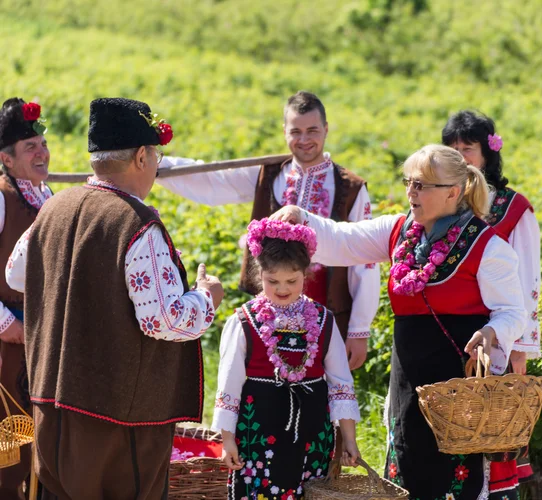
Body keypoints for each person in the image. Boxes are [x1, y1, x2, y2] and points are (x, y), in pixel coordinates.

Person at [270, 144, 527, 500]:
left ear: (453, 192)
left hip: (458, 387)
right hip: (408, 383)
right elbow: (344, 240)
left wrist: (491, 331)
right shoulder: (399, 231)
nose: (411, 192)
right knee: (407, 469)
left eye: (422, 185)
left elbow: (514, 312)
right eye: (409, 182)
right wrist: (302, 218)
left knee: (455, 481)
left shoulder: (488, 247)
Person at [6, 97, 224, 499]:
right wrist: (206, 298)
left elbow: (16, 275)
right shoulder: (137, 225)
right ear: (141, 156)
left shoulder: (53, 208)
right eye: (156, 155)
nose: (156, 164)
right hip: (118, 422)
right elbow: (165, 320)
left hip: (53, 408)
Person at [157, 91, 380, 370]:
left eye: (312, 130)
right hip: (270, 305)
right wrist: (158, 165)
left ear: (326, 129)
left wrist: (359, 330)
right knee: (264, 383)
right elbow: (212, 179)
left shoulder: (351, 188)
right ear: (284, 132)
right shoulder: (269, 173)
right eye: (295, 131)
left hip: (329, 309)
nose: (304, 139)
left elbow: (366, 260)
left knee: (324, 391)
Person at [212, 218, 360, 500]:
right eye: (272, 281)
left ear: (306, 275)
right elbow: (229, 385)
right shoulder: (244, 321)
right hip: (258, 429)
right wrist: (227, 439)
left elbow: (341, 383)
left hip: (312, 431)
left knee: (309, 491)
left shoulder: (323, 319)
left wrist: (349, 439)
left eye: (291, 281)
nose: (282, 289)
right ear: (259, 274)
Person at [442, 110, 542, 498]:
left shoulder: (513, 210)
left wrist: (520, 349)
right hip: (446, 336)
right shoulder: (442, 203)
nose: (461, 159)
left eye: (468, 150)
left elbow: (528, 282)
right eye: (452, 151)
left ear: (488, 154)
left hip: (494, 341)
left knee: (486, 430)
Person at [0, 97, 52, 500]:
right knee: (6, 451)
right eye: (30, 147)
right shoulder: (1, 199)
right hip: (6, 344)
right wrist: (7, 324)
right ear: (7, 158)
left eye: (43, 143)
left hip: (41, 341)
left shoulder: (47, 195)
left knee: (40, 446)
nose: (42, 152)